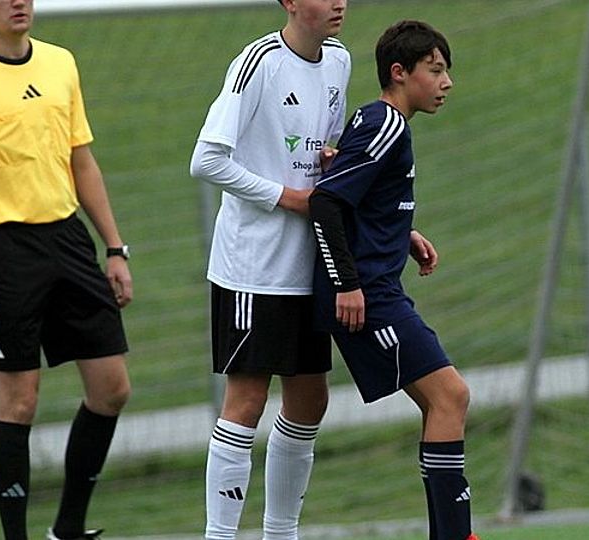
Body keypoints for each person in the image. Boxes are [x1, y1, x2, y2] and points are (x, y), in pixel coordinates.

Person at [0, 1, 132, 539]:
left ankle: (68, 529)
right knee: (19, 401)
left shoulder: (61, 63)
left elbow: (82, 160)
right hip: (2, 250)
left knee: (112, 388)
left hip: (68, 239)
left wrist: (114, 248)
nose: (19, 2)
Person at [309, 20, 478, 540]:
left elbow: (358, 194)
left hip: (380, 289)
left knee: (440, 403)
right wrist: (347, 285)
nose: (446, 82)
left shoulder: (380, 121)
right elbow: (326, 202)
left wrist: (403, 233)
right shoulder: (386, 123)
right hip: (370, 297)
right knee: (451, 396)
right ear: (400, 72)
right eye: (436, 70)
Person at [189, 0, 351, 538]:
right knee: (248, 399)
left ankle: (282, 533)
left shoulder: (339, 60)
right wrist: (286, 196)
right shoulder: (258, 62)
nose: (339, 2)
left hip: (309, 265)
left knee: (310, 399)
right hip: (253, 268)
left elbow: (323, 157)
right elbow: (207, 160)